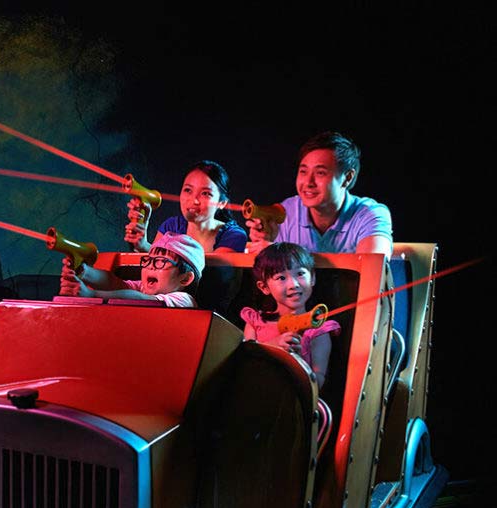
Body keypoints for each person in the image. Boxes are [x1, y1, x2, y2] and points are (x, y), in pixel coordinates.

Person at [246, 131, 392, 258]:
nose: (308, 182)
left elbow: (373, 266)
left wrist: (283, 255)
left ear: (347, 178)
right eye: (303, 171)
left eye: (320, 173)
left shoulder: (370, 214)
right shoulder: (287, 213)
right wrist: (265, 246)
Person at [241, 242, 341, 387]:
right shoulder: (255, 322)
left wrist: (297, 362)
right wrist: (272, 347)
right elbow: (244, 363)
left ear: (312, 278)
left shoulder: (318, 330)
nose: (293, 284)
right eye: (281, 278)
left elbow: (318, 383)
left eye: (300, 274)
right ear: (264, 287)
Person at [125, 160, 247, 254]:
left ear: (222, 203)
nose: (194, 200)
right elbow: (157, 263)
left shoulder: (234, 236)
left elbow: (210, 273)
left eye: (205, 193)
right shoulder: (171, 226)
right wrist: (142, 244)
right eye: (188, 190)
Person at [60, 232, 205, 306]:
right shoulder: (143, 288)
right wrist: (84, 272)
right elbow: (116, 284)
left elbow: (144, 301)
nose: (150, 266)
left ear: (185, 278)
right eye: (149, 260)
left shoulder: (183, 300)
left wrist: (92, 295)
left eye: (161, 262)